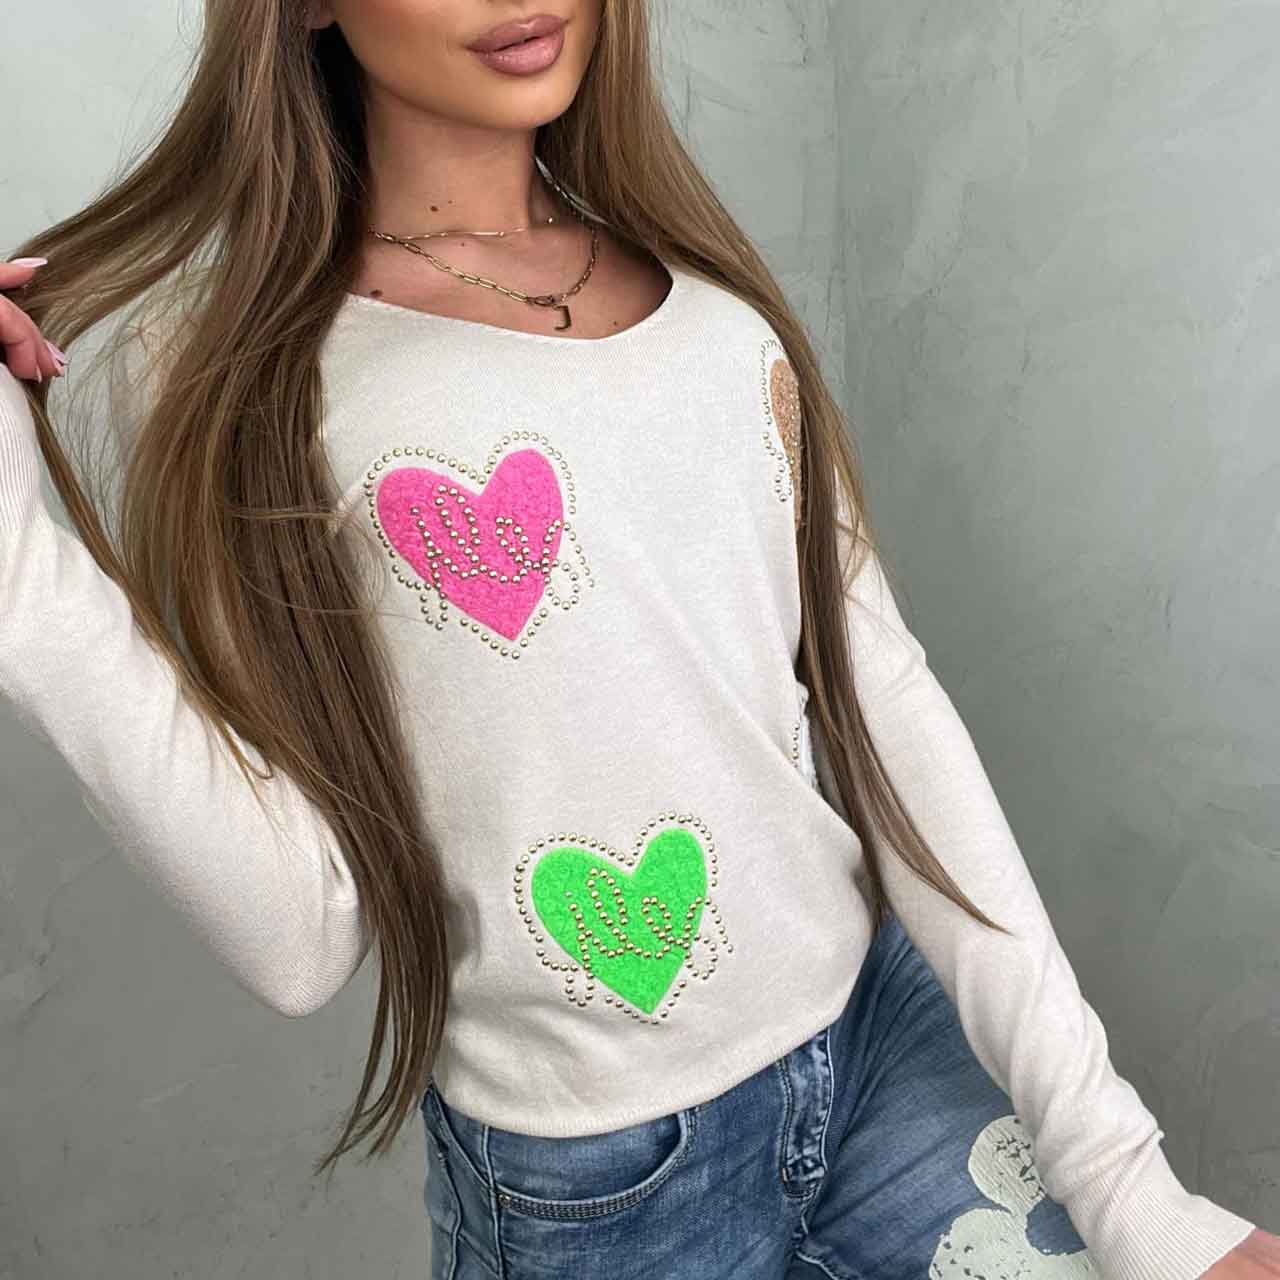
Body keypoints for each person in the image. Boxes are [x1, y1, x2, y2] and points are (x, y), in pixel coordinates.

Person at [0, 2, 1274, 1277]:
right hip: (603, 1186)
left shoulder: (719, 319)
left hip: (883, 1039)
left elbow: (887, 714)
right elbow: (300, 933)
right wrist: (18, 574)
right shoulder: (239, 380)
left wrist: (1125, 1183)